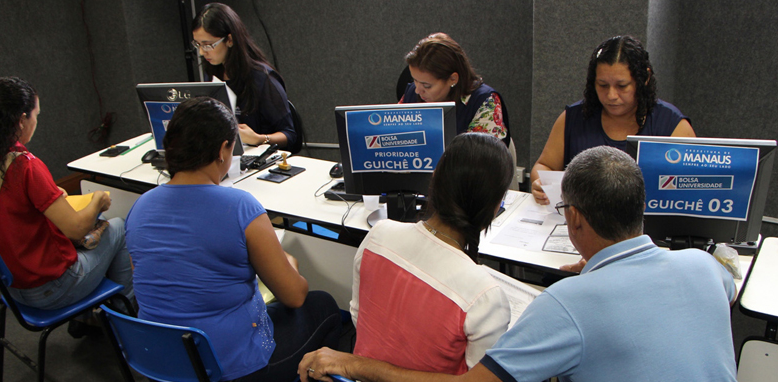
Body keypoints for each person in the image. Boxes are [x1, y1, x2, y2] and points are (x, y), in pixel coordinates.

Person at [299, 146, 737, 382]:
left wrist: (350, 364)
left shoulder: (569, 304)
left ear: (574, 218)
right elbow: (722, 285)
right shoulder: (704, 268)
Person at [125, 96, 341, 381]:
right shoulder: (240, 206)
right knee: (323, 305)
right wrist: (289, 263)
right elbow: (294, 297)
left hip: (161, 361)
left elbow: (146, 276)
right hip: (227, 367)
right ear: (222, 150)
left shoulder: (140, 207)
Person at [0, 77, 134, 312]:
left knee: (99, 226)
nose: (36, 121)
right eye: (36, 115)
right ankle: (124, 315)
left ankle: (87, 317)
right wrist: (98, 200)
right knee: (116, 227)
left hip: (12, 286)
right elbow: (75, 229)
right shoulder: (27, 167)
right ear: (22, 120)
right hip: (52, 288)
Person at [350, 133, 513, 375]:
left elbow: (358, 316)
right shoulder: (485, 297)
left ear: (434, 181)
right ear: (494, 205)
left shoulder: (377, 236)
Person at [530, 35, 695, 204]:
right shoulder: (573, 118)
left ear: (644, 79)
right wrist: (539, 184)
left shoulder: (673, 126)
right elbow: (544, 166)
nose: (611, 96)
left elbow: (691, 190)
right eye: (602, 85)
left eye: (622, 86)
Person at [192, 2, 297, 150]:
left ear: (229, 40)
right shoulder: (212, 72)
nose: (202, 52)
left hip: (259, 158)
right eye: (198, 45)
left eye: (208, 45)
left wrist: (259, 139)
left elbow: (290, 135)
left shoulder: (263, 78)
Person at [400, 33, 510, 146]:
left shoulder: (483, 101)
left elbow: (484, 157)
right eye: (415, 80)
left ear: (452, 79)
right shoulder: (412, 93)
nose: (417, 90)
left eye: (427, 85)